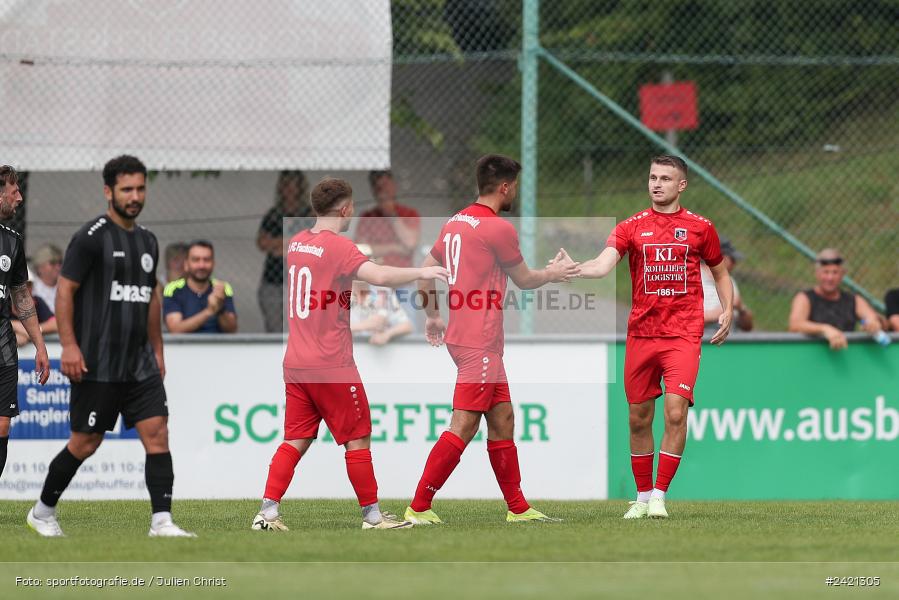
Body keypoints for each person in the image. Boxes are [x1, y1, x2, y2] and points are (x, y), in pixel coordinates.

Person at [251, 177, 448, 531]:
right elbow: (381, 275)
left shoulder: (297, 243)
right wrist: (423, 270)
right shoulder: (338, 247)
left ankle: (266, 512)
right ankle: (373, 517)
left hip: (296, 362)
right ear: (345, 209)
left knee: (296, 438)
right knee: (358, 436)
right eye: (352, 205)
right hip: (331, 362)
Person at [403, 154, 579, 526]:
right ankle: (418, 507)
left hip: (465, 337)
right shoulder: (497, 228)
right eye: (513, 186)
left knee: (503, 418)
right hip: (478, 341)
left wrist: (433, 315)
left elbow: (424, 273)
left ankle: (518, 509)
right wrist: (556, 272)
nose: (514, 191)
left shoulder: (455, 222)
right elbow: (526, 280)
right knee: (463, 425)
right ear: (504, 187)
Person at [27, 155, 195, 538]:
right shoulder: (91, 238)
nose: (135, 197)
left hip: (139, 363)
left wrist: (158, 351)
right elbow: (65, 292)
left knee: (157, 432)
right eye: (127, 190)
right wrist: (69, 346)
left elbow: (152, 299)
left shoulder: (149, 240)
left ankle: (162, 522)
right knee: (86, 443)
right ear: (109, 192)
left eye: (140, 188)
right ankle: (42, 512)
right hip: (97, 361)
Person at [559, 155, 733, 520]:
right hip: (642, 334)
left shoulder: (701, 228)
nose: (657, 184)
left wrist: (727, 309)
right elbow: (603, 263)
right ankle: (640, 497)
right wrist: (575, 268)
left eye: (665, 178)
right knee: (638, 417)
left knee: (675, 412)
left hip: (683, 334)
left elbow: (720, 272)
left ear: (681, 185)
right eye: (653, 177)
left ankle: (659, 496)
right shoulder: (631, 227)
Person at [0, 166, 50, 487]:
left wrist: (41, 345)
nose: (19, 197)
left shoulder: (12, 242)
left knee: (2, 427)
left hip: (3, 348)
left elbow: (21, 298)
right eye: (13, 190)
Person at [354, 171, 421, 325]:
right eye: (378, 187)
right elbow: (361, 249)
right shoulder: (368, 217)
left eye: (386, 185)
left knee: (407, 328)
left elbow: (410, 243)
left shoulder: (409, 213)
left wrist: (391, 213)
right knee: (375, 326)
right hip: (376, 284)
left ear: (394, 186)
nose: (382, 191)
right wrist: (395, 247)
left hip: (403, 283)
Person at [788, 248, 884, 350]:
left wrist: (873, 323)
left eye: (835, 272)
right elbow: (795, 324)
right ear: (817, 274)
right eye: (826, 272)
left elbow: (871, 317)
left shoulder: (853, 300)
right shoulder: (804, 298)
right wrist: (824, 329)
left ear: (842, 275)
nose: (830, 278)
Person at [256, 171, 315, 333]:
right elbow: (262, 242)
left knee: (299, 328)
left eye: (292, 184)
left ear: (299, 187)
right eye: (285, 184)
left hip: (301, 281)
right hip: (272, 281)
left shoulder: (308, 214)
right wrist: (290, 243)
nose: (288, 189)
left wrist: (277, 246)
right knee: (274, 328)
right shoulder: (274, 215)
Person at [163, 240, 237, 334]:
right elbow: (175, 329)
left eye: (206, 260)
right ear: (186, 264)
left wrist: (220, 308)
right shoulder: (173, 289)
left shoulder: (222, 288)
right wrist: (209, 311)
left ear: (213, 264)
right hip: (185, 347)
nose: (201, 265)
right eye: (196, 260)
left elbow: (232, 330)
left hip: (218, 347)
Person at [702, 238, 753, 332]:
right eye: (732, 260)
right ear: (722, 258)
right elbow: (683, 320)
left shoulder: (730, 281)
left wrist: (741, 308)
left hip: (728, 339)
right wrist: (723, 312)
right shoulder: (692, 277)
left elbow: (748, 327)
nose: (735, 264)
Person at [350, 280, 413, 345]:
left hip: (377, 352)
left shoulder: (384, 292)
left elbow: (407, 325)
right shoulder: (340, 292)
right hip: (347, 350)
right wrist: (365, 325)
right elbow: (339, 330)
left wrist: (387, 334)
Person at [11, 269, 57, 346]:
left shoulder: (37, 302)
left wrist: (34, 331)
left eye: (28, 284)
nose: (24, 289)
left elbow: (55, 324)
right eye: (20, 285)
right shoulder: (4, 303)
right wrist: (14, 325)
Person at [30, 244, 63, 313]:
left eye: (60, 262)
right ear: (39, 267)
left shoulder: (64, 286)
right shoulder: (31, 288)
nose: (58, 267)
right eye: (52, 263)